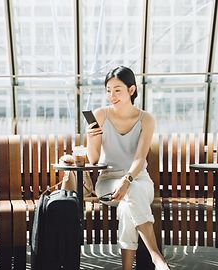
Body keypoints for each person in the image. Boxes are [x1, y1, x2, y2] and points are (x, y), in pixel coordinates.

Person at [86, 66, 170, 270]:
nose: (111, 95)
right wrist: (90, 138)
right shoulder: (100, 115)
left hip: (138, 180)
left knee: (127, 206)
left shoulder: (146, 119)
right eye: (108, 90)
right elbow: (94, 159)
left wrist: (127, 180)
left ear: (131, 90)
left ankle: (127, 268)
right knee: (129, 197)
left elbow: (140, 157)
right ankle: (156, 257)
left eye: (117, 90)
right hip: (107, 183)